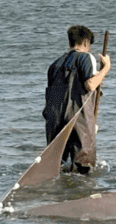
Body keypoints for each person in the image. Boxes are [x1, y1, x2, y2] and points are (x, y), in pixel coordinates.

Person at [42, 25, 111, 174]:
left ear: (70, 42)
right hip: (77, 118)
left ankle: (57, 194)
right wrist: (105, 68)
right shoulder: (86, 58)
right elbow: (91, 85)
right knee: (83, 168)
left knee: (57, 167)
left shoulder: (55, 64)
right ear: (86, 43)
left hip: (53, 119)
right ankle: (81, 194)